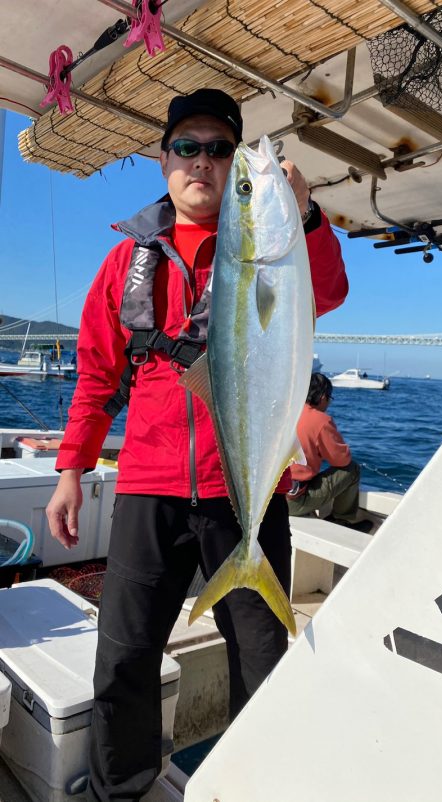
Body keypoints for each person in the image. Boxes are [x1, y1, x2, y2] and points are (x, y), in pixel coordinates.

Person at [46, 88, 349, 802]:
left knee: (262, 658)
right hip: (149, 486)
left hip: (243, 490)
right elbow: (95, 373)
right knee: (123, 659)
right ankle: (122, 788)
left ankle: (253, 786)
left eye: (221, 150)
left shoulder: (271, 245)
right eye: (188, 147)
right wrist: (70, 470)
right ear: (163, 161)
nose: (205, 163)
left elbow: (327, 290)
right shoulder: (128, 263)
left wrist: (304, 215)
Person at [287, 372, 369, 528]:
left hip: (269, 499)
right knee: (352, 470)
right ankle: (343, 519)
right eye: (330, 399)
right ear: (323, 397)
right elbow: (342, 460)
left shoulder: (285, 412)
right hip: (292, 502)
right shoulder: (321, 420)